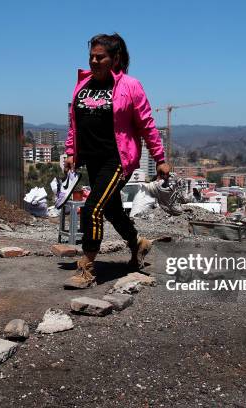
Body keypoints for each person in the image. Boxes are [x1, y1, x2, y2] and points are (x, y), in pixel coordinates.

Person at [63, 33, 170, 289]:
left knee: (92, 208)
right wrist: (70, 151)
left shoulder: (130, 86)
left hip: (119, 159)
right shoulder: (83, 84)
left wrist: (160, 158)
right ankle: (138, 245)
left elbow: (147, 124)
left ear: (115, 58)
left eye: (100, 56)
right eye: (91, 56)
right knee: (110, 208)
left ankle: (87, 267)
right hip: (93, 159)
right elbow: (74, 122)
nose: (94, 61)